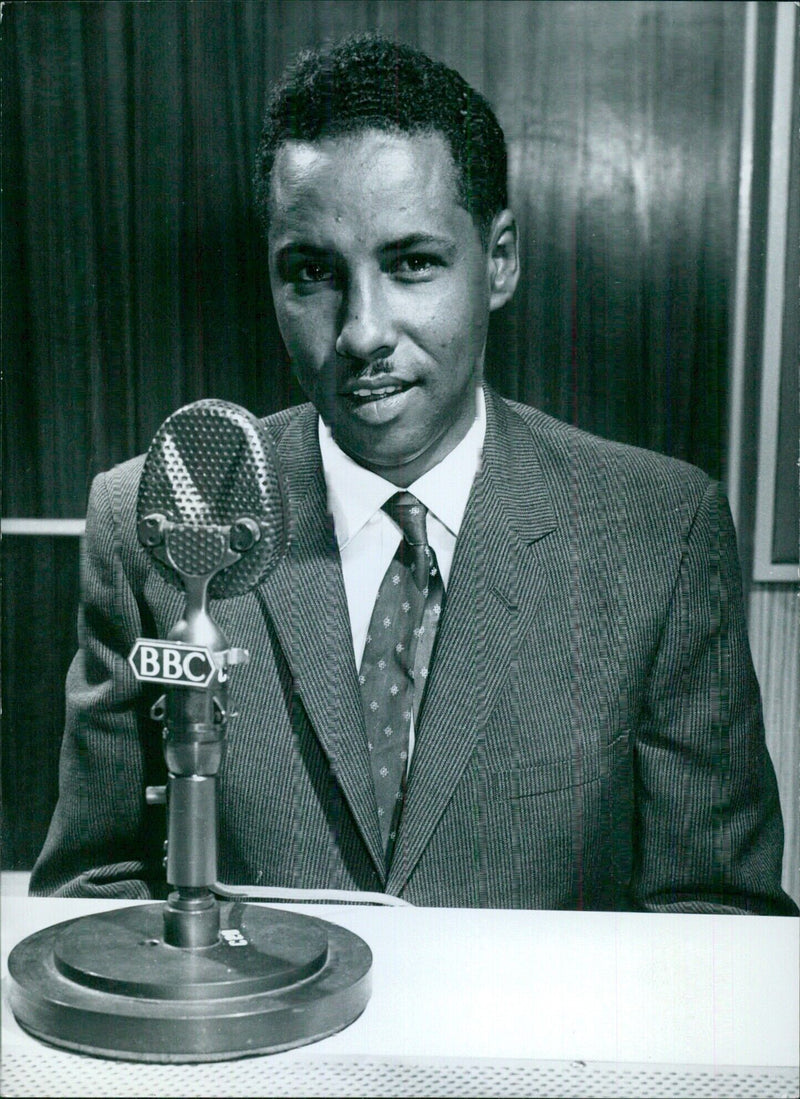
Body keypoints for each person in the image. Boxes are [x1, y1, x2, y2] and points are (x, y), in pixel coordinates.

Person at [31, 34, 796, 914]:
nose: (362, 331)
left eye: (412, 263)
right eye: (312, 273)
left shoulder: (661, 530)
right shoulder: (154, 521)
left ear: (499, 259)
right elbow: (87, 900)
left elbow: (721, 924)